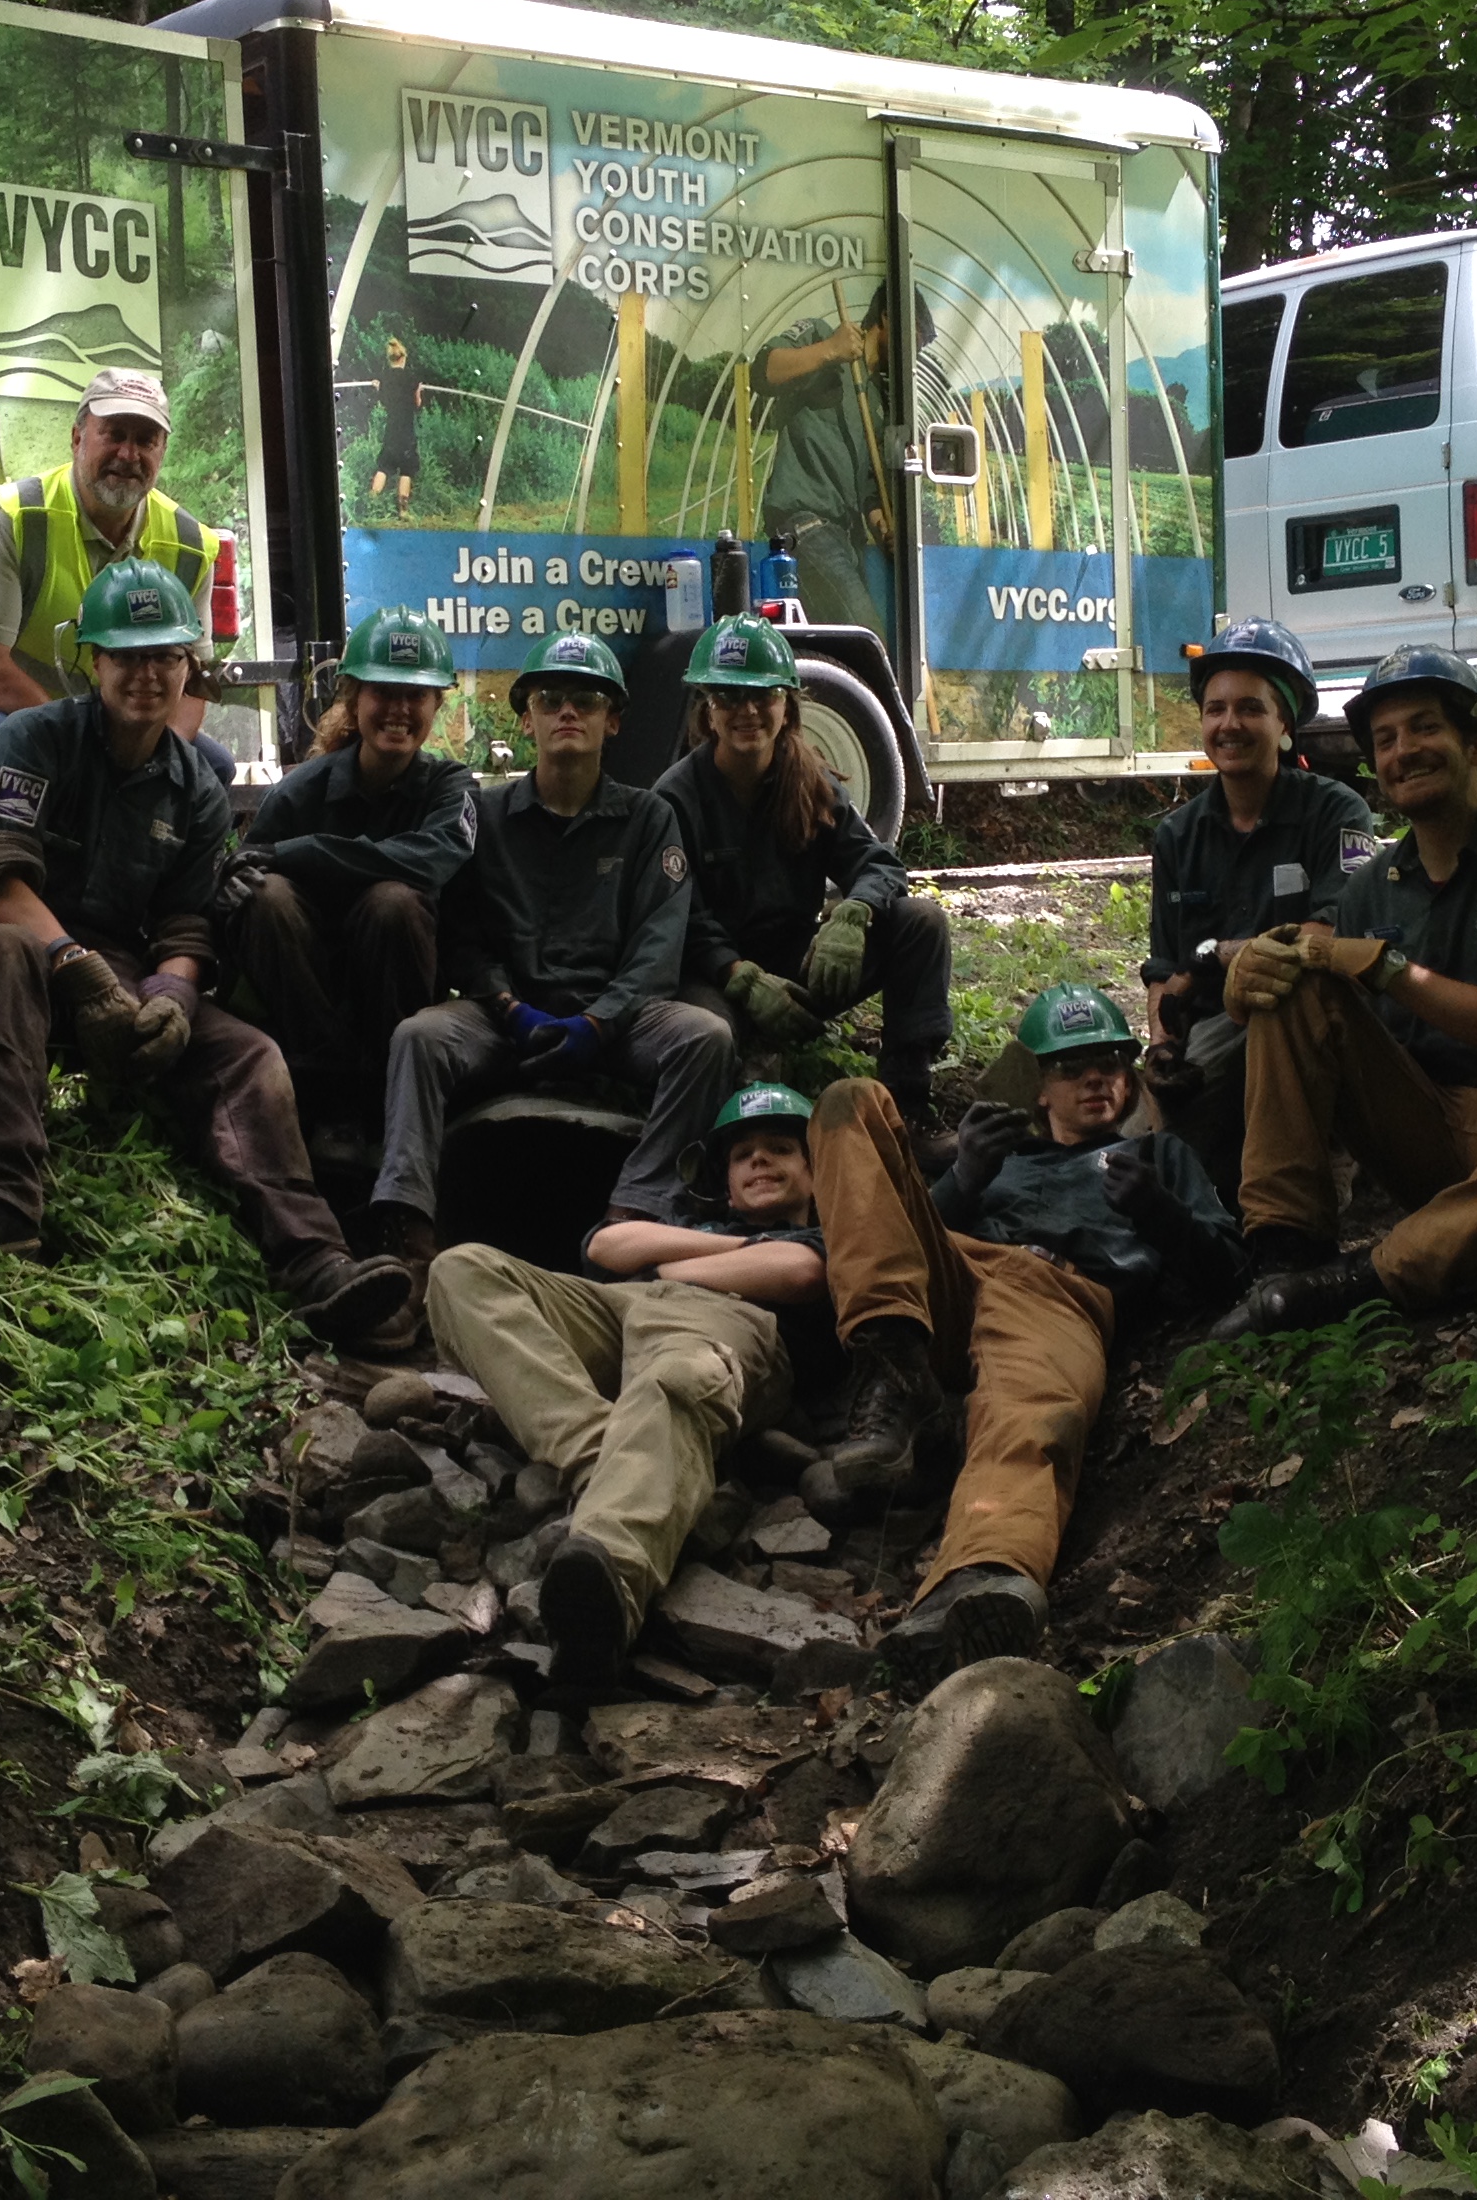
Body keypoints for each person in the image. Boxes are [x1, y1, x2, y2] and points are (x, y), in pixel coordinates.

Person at [0, 558, 413, 1347]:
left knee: (247, 1055)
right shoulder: (32, 739)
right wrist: (76, 968)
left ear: (188, 666)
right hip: (5, 946)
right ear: (93, 662)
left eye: (164, 657)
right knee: (3, 952)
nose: (146, 676)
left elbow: (186, 921)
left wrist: (172, 995)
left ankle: (316, 1261)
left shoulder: (195, 787)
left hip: (117, 970)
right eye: (127, 657)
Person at [808, 985, 1240, 1682]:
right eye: (1072, 1067)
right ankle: (893, 1365)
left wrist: (1161, 1213)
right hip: (955, 1281)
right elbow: (891, 1238)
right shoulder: (997, 1158)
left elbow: (1229, 1272)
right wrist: (963, 1177)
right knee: (849, 1100)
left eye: (1110, 1062)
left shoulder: (1160, 1155)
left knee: (1032, 1412)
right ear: (1038, 1087)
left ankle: (981, 1574)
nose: (1096, 1078)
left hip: (1057, 1292)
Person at [1216, 642, 1477, 1336]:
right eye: (1385, 740)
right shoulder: (1371, 888)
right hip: (1422, 1126)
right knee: (1296, 984)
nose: (1403, 751)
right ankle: (1283, 1253)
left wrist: (1387, 969)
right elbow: (1316, 1018)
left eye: (1424, 728)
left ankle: (1360, 1281)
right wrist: (1245, 984)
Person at [424, 1084, 831, 1690]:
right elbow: (607, 1244)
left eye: (779, 1148)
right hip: (617, 1309)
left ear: (815, 1172)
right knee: (461, 1269)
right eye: (743, 1154)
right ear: (726, 1180)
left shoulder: (824, 1235)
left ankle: (610, 1578)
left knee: (680, 1380)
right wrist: (735, 1248)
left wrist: (665, 1262)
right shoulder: (695, 1221)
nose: (760, 1161)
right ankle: (605, 1461)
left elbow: (797, 1271)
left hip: (727, 1324)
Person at [369, 629, 730, 1277]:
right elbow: (463, 936)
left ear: (612, 720)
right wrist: (508, 1006)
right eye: (550, 698)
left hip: (616, 1023)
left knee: (706, 1038)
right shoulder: (485, 816)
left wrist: (600, 1021)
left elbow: (658, 946)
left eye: (586, 701)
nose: (568, 712)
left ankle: (635, 1212)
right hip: (507, 1022)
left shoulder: (649, 819)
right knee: (418, 1038)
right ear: (526, 717)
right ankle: (409, 1236)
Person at [0, 365, 230, 847]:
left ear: (162, 451)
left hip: (99, 706)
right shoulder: (13, 516)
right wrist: (87, 746)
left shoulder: (191, 543)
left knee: (208, 767)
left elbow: (194, 680)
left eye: (146, 440)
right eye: (114, 434)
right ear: (77, 438)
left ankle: (150, 888)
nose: (128, 454)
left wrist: (152, 754)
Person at [655, 612, 951, 1123]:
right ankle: (734, 1097)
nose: (747, 711)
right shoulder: (675, 798)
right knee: (709, 1035)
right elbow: (678, 918)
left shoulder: (808, 780)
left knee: (921, 921)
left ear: (787, 705)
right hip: (716, 977)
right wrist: (740, 978)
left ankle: (908, 1103)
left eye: (763, 695)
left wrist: (854, 913)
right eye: (729, 697)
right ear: (707, 710)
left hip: (795, 965)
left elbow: (877, 862)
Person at [1139, 619, 1377, 1194]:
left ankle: (1316, 1168)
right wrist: (1163, 1047)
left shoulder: (1337, 813)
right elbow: (1164, 972)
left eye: (1250, 708)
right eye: (1215, 709)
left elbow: (1328, 939)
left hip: (1298, 1028)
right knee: (1136, 1147)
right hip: (1205, 1037)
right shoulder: (1178, 836)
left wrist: (1216, 955)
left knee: (1163, 1160)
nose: (1230, 724)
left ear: (1285, 724)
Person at [217, 607, 477, 1099]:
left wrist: (301, 852)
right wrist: (234, 886)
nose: (399, 709)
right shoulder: (298, 794)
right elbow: (241, 888)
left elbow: (435, 857)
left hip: (401, 992)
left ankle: (391, 1089)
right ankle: (328, 1090)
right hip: (304, 996)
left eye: (415, 695)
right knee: (266, 896)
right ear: (354, 700)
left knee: (394, 902)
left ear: (436, 705)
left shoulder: (449, 787)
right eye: (384, 692)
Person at [755, 288, 932, 643]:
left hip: (847, 539)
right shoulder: (823, 338)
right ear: (887, 318)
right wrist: (830, 351)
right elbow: (762, 371)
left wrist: (883, 528)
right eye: (915, 340)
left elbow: (868, 490)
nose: (915, 354)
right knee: (867, 639)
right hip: (807, 525)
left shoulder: (878, 401)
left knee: (840, 652)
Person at [368, 335, 424, 515]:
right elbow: (417, 404)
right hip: (406, 429)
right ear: (403, 358)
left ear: (390, 359)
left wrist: (378, 388)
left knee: (384, 465)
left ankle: (372, 503)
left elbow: (384, 402)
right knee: (407, 469)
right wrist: (418, 390)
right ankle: (403, 510)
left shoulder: (384, 378)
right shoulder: (412, 378)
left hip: (391, 429)